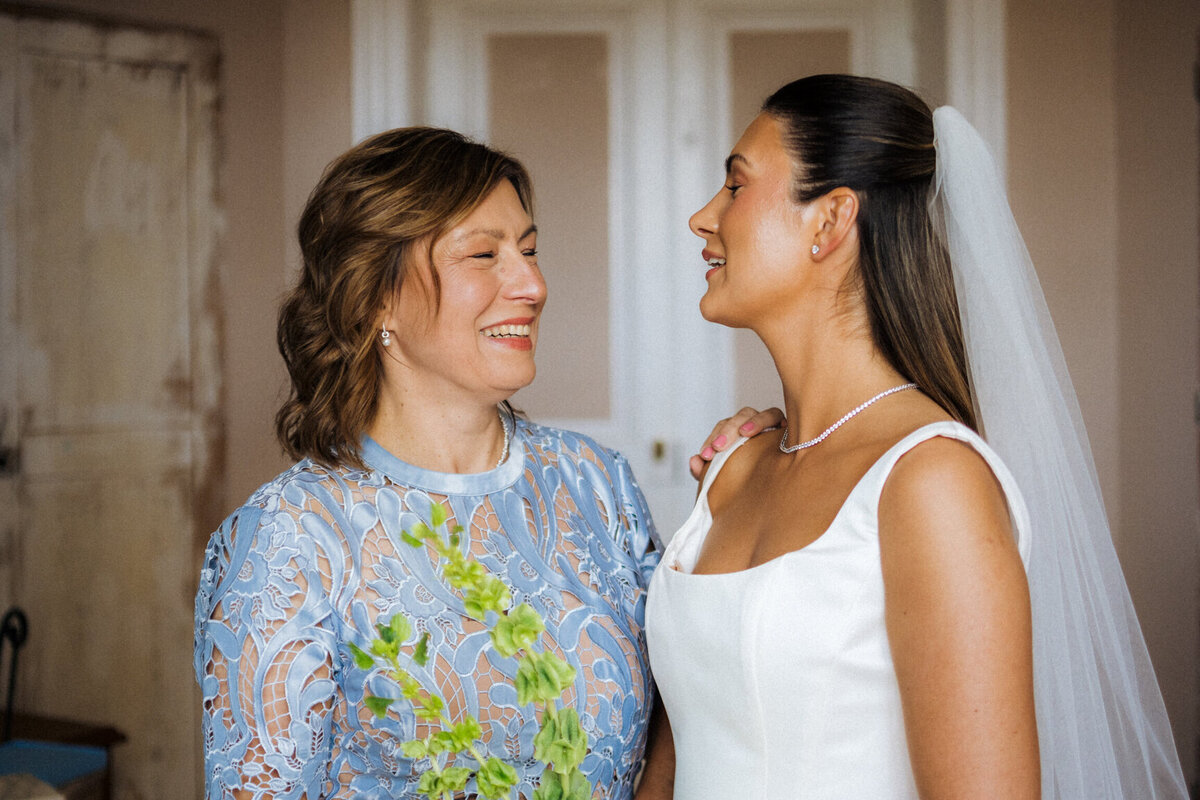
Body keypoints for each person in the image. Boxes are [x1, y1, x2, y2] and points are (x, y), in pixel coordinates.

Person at [646, 74, 1189, 799]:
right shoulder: (733, 468)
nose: (701, 219)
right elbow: (680, 755)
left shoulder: (932, 484)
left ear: (831, 220)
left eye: (735, 187)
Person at [193, 127, 675, 799]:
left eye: (530, 251)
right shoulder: (290, 538)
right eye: (484, 254)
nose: (532, 284)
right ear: (377, 298)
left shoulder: (600, 486)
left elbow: (675, 719)